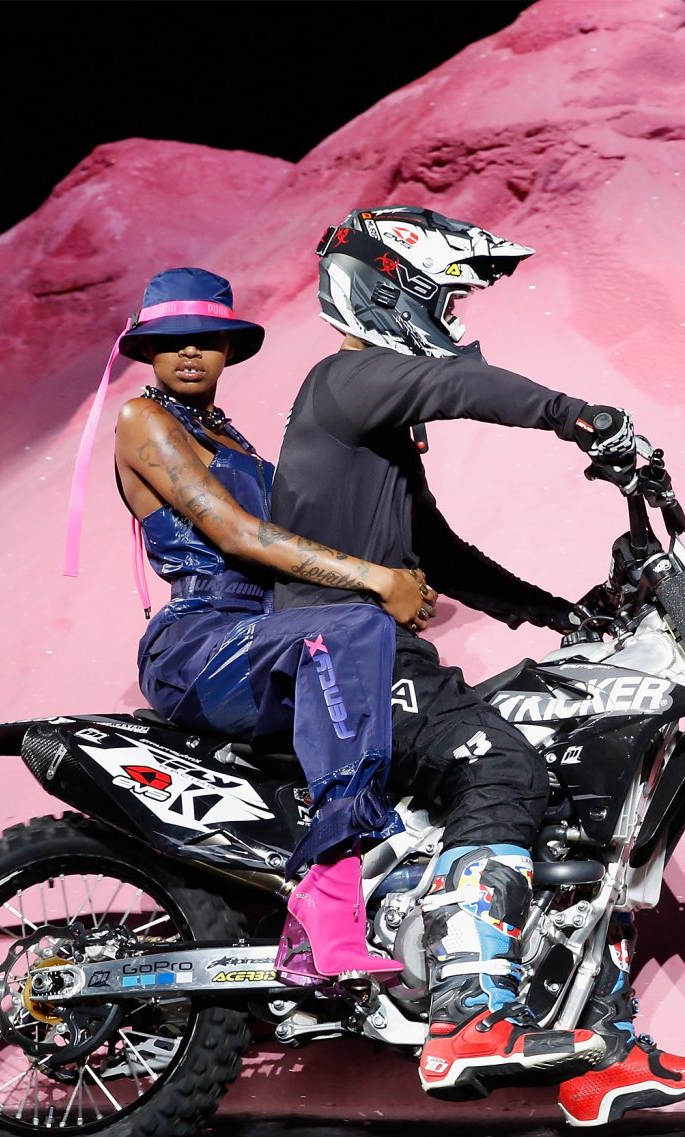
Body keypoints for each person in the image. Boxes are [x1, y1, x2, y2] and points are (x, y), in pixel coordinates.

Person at [267, 208, 685, 1124]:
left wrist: (559, 612)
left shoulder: (377, 430)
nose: (455, 316)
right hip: (337, 651)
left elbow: (438, 551)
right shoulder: (347, 381)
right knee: (502, 766)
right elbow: (461, 386)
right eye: (443, 296)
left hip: (377, 650)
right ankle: (469, 1016)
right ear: (390, 288)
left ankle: (601, 1049)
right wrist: (578, 417)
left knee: (572, 807)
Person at [107, 267, 429, 986]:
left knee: (394, 671)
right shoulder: (142, 420)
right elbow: (235, 533)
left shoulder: (232, 438)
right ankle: (328, 901)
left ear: (229, 348)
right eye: (173, 340)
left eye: (206, 338)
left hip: (271, 633)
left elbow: (310, 524)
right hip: (200, 642)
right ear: (148, 350)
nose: (191, 352)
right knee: (355, 629)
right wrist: (376, 580)